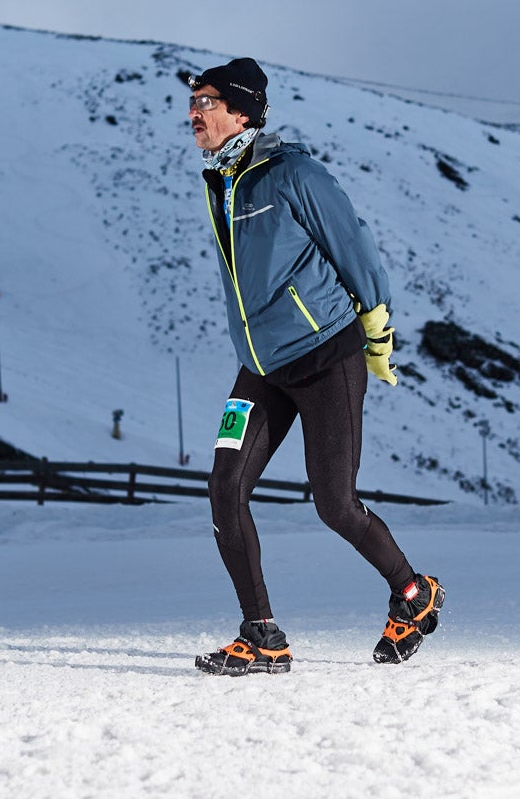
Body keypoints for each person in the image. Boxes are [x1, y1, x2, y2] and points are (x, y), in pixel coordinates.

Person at [186, 57, 444, 676]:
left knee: (335, 504)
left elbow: (353, 245)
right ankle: (262, 635)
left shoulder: (293, 173)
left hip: (327, 353)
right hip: (261, 365)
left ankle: (414, 594)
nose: (195, 113)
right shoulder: (221, 181)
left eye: (207, 102)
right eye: (193, 102)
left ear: (243, 110)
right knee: (225, 489)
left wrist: (377, 330)